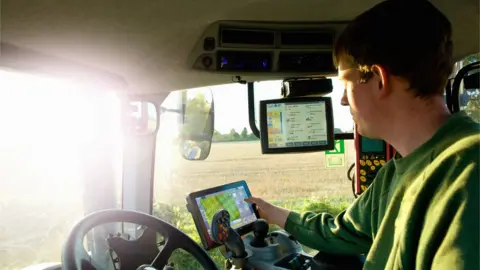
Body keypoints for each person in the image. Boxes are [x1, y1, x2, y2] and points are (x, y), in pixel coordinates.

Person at [246, 1, 479, 269]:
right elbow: (344, 230)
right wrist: (275, 214)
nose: (344, 100)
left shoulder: (469, 172)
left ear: (379, 79)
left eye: (345, 84)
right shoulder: (395, 172)